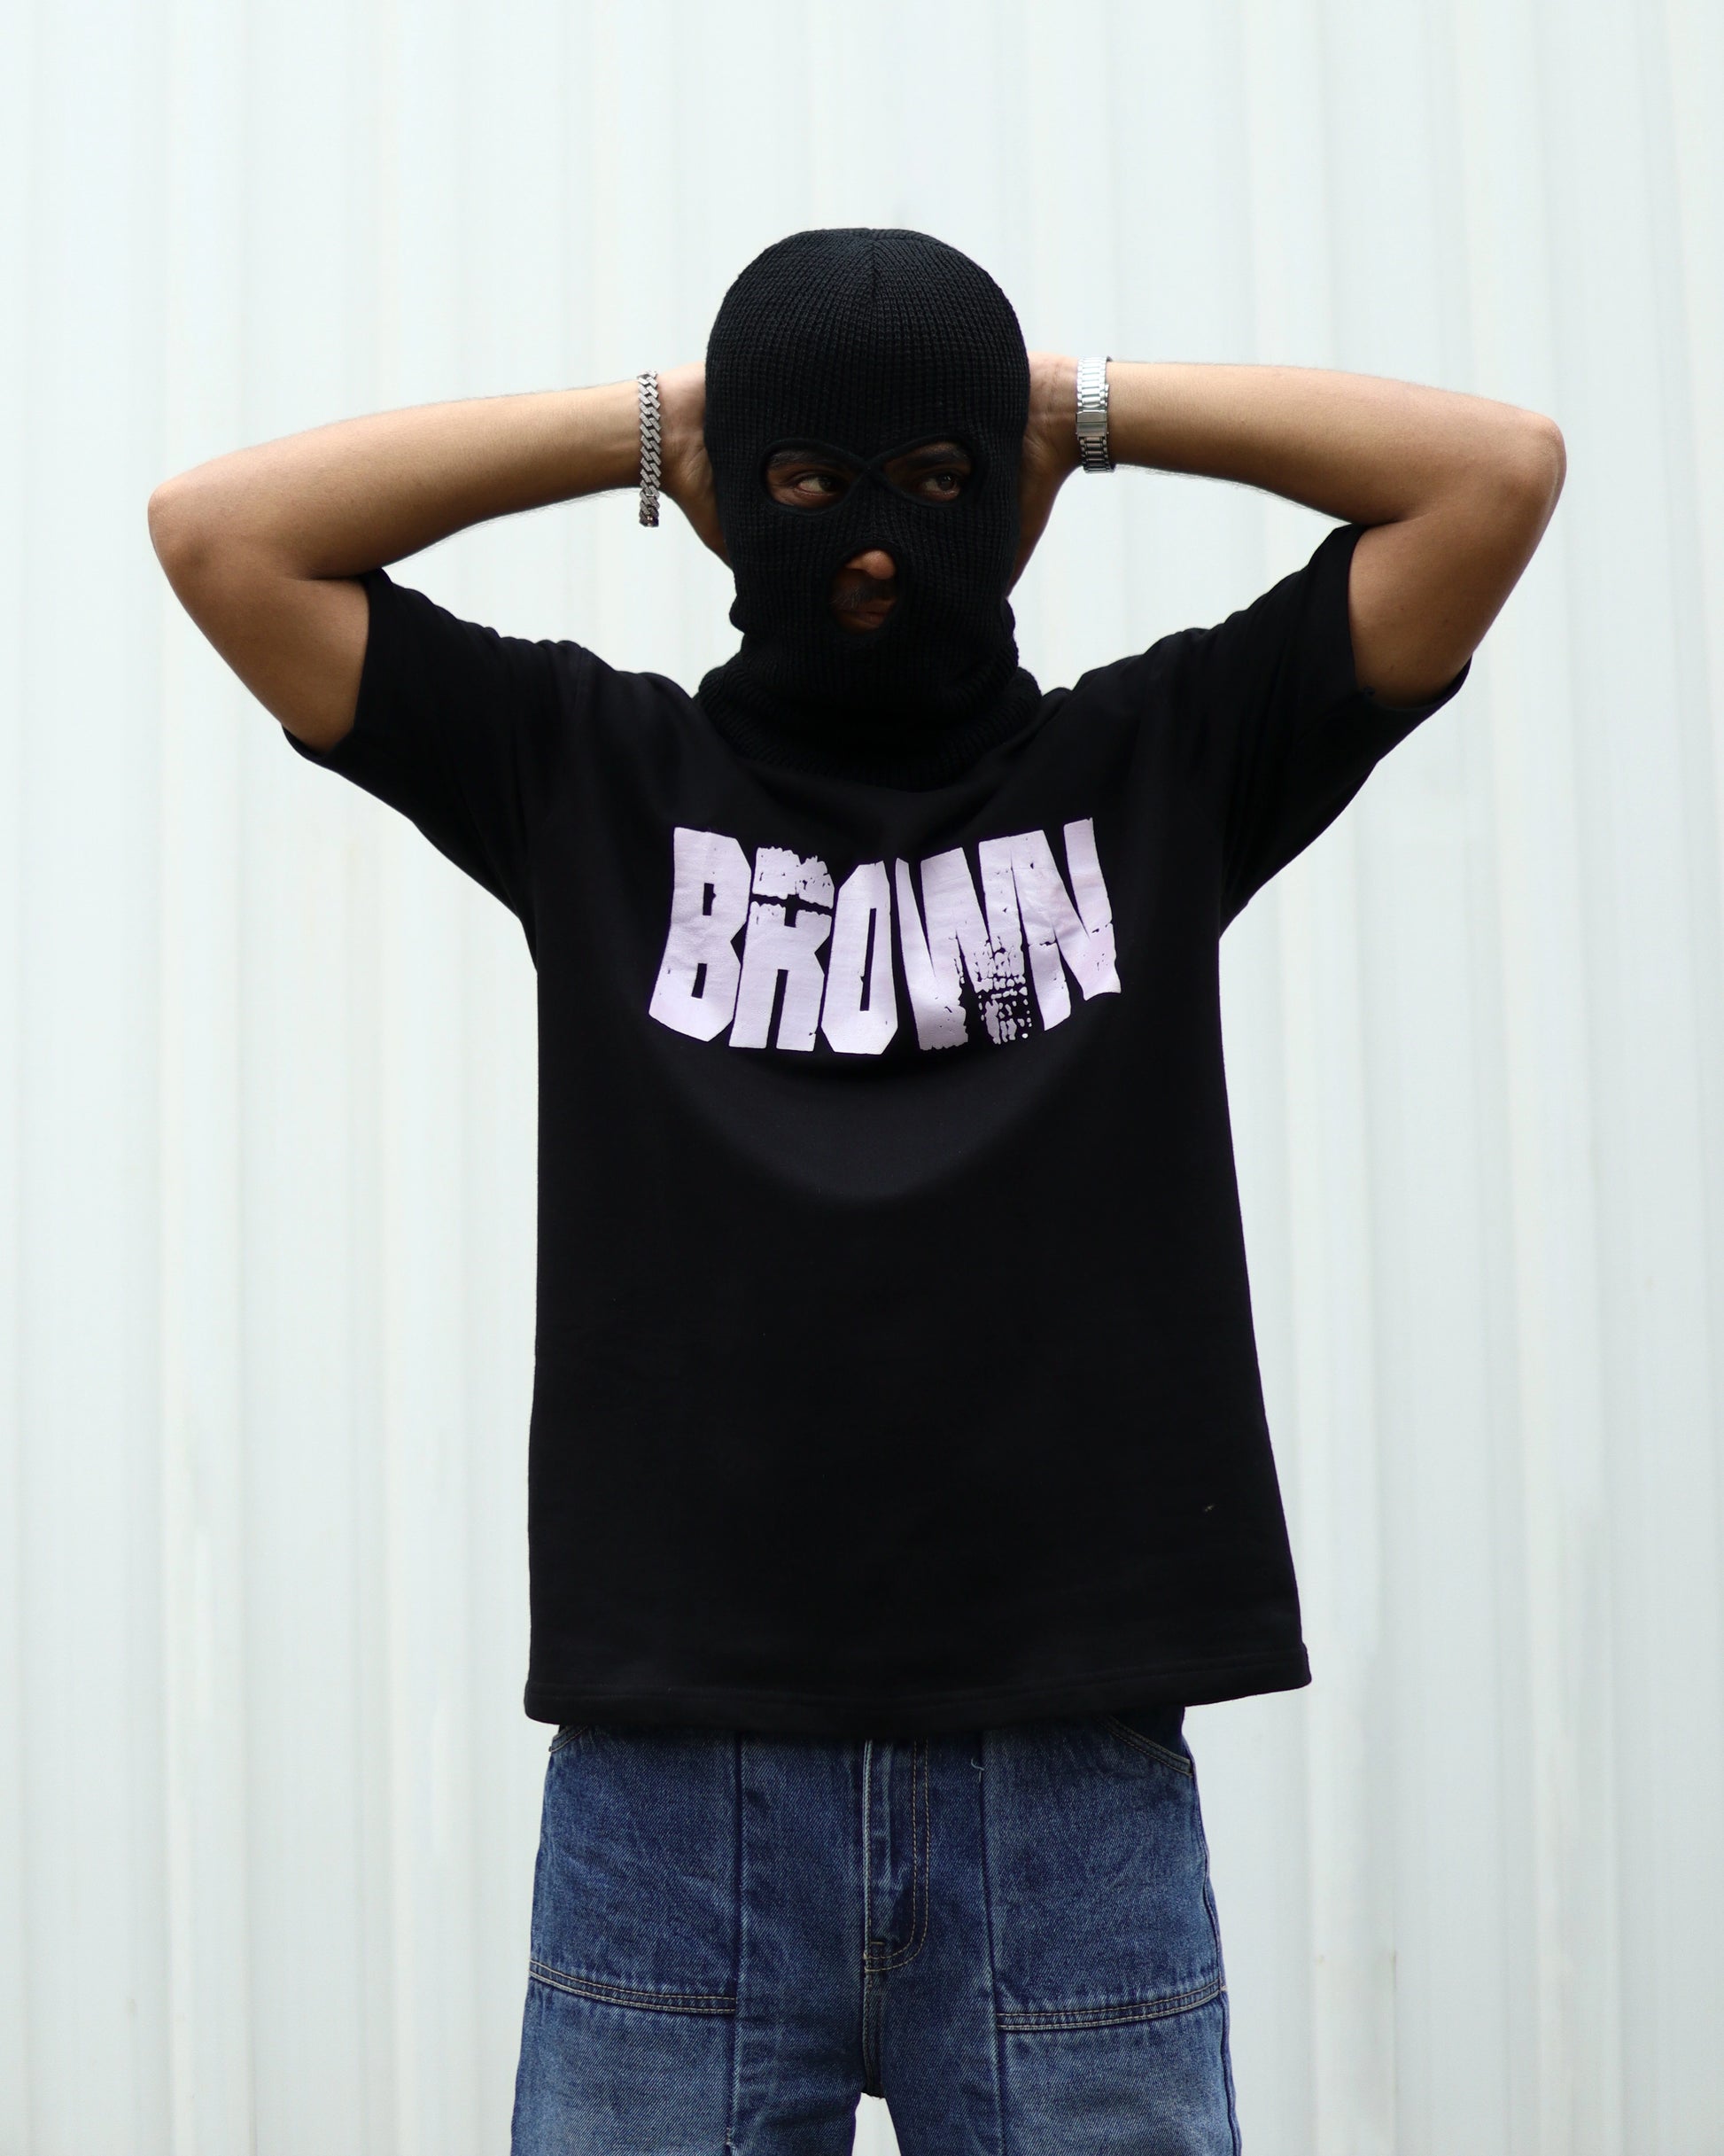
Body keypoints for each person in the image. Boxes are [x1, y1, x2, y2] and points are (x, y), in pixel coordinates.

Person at [148, 227, 1564, 2155]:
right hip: (680, 1788)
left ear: (1013, 495)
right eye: (811, 485)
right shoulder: (588, 776)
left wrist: (1074, 409)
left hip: (1065, 1779)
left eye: (938, 478)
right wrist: (658, 425)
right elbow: (222, 536)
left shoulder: (1158, 767)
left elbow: (1494, 477)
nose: (876, 548)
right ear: (731, 501)